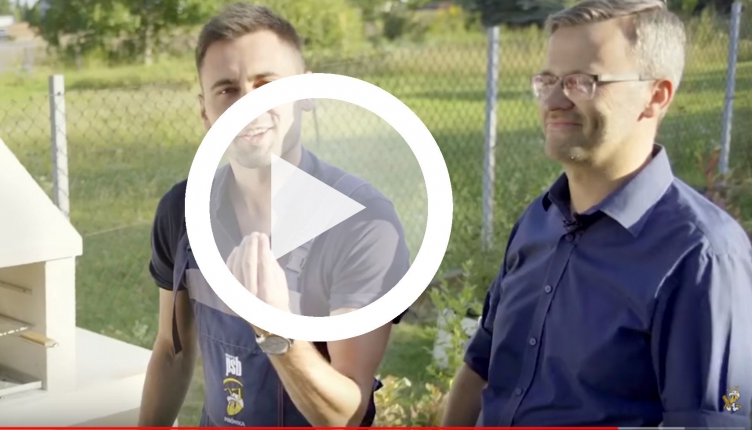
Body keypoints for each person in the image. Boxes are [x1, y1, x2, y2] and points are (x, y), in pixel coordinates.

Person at [442, 0, 752, 427]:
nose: (554, 100)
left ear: (656, 96)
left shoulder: (702, 256)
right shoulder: (538, 220)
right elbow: (481, 369)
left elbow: (717, 417)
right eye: (548, 80)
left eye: (582, 82)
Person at [138, 3, 410, 427]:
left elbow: (347, 413)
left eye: (267, 85)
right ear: (205, 111)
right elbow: (172, 351)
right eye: (227, 90)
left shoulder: (363, 224)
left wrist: (273, 330)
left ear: (307, 93)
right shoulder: (183, 210)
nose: (249, 105)